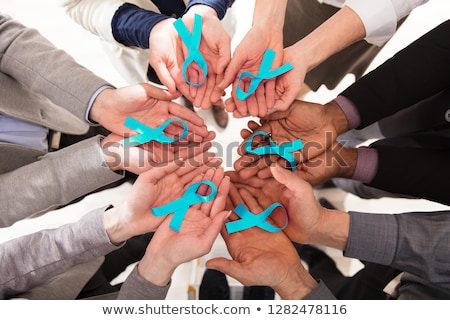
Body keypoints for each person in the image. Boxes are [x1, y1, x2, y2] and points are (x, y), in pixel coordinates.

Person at [0, 12, 215, 298]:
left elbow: (6, 40)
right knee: (139, 216)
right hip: (49, 199)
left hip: (62, 113)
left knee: (136, 173)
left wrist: (101, 102)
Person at [233, 19, 450, 206]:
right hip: (430, 98)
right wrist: (336, 115)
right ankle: (332, 170)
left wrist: (348, 164)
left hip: (433, 177)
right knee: (358, 129)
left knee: (365, 184)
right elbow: (441, 50)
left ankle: (337, 180)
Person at [206, 164, 450, 299]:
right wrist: (323, 225)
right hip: (414, 276)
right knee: (341, 261)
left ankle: (307, 251)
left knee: (329, 278)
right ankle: (309, 242)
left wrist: (291, 281)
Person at [0, 162, 230, 299]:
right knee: (148, 244)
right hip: (121, 302)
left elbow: (11, 265)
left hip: (63, 277)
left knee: (134, 244)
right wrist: (159, 263)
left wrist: (119, 222)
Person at [212, 0, 428, 118]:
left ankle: (277, 113)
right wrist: (266, 24)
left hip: (363, 18)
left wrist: (305, 55)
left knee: (301, 79)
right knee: (279, 52)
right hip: (305, 4)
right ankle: (219, 93)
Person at [61, 0, 234, 128]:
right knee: (173, 80)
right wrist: (151, 27)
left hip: (209, 24)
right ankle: (187, 97)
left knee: (213, 71)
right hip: (142, 41)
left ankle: (213, 100)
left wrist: (206, 6)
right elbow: (77, 3)